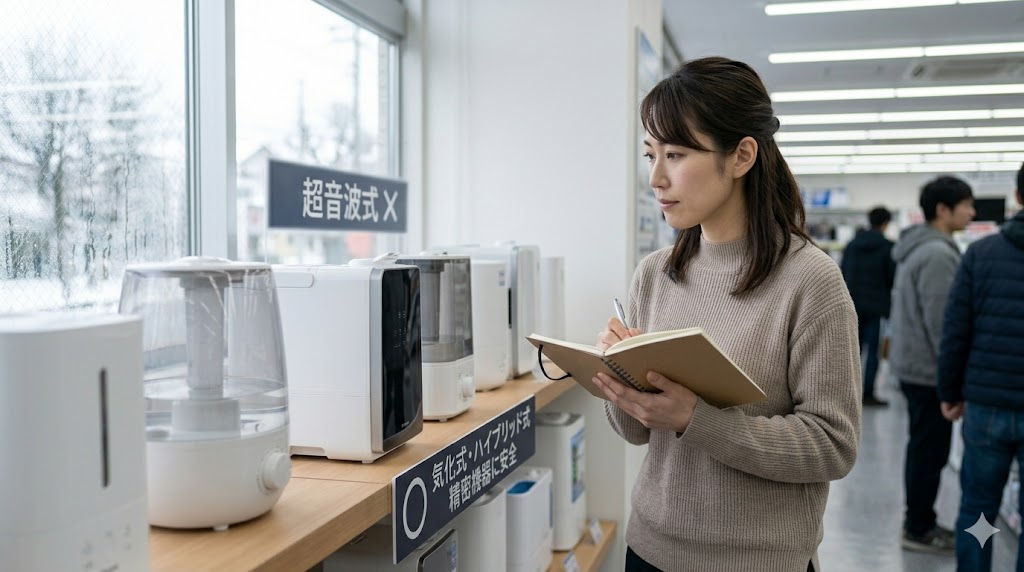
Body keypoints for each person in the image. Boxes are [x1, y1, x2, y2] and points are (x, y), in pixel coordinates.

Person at [592, 56, 861, 572]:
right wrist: (618, 377)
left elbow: (833, 445)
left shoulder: (811, 281)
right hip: (649, 548)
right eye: (650, 154)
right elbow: (635, 433)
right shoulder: (655, 273)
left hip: (758, 561)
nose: (655, 177)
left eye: (675, 154)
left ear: (741, 156)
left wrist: (698, 420)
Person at [937, 161, 1024, 571]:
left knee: (980, 509)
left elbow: (957, 331)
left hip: (987, 406)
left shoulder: (981, 254)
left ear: (1018, 197)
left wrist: (949, 392)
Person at [888, 175, 975, 554]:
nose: (972, 212)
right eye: (967, 205)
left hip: (914, 366)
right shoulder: (938, 254)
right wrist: (953, 379)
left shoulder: (921, 248)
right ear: (943, 209)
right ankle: (919, 528)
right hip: (927, 370)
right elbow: (943, 324)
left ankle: (918, 522)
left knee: (923, 449)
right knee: (929, 453)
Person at [840, 206, 897, 407]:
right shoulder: (888, 247)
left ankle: (847, 395)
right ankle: (868, 394)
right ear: (885, 223)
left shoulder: (852, 245)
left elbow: (843, 272)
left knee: (851, 352)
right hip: (877, 308)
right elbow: (892, 278)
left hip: (852, 305)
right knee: (873, 353)